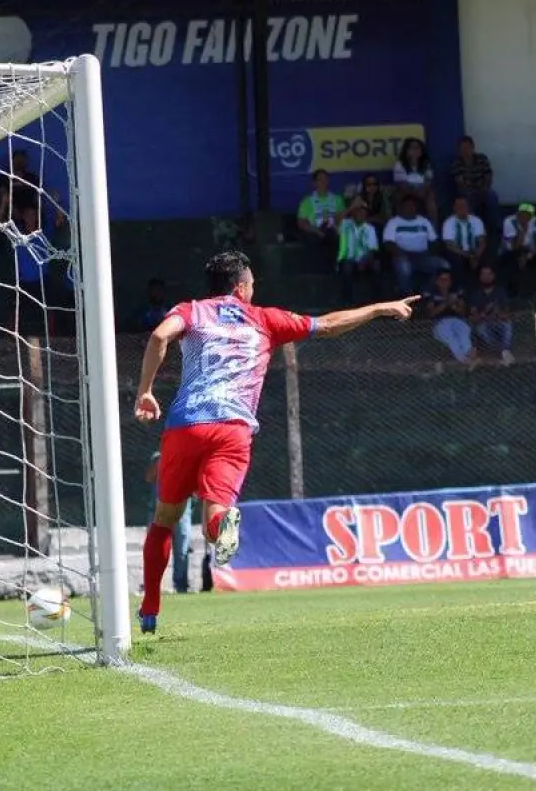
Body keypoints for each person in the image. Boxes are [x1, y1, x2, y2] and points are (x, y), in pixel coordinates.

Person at [132, 251, 417, 633]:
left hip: (187, 424)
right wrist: (380, 308)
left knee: (165, 519)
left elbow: (159, 336)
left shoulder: (192, 310)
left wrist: (145, 391)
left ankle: (150, 609)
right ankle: (222, 523)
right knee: (214, 517)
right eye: (252, 283)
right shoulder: (264, 319)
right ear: (241, 287)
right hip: (232, 428)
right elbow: (329, 325)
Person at [145, 451, 195, 593]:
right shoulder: (158, 457)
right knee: (155, 549)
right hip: (159, 510)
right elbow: (149, 477)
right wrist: (161, 461)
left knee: (182, 550)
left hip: (182, 510)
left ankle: (181, 586)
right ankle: (151, 586)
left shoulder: (188, 456)